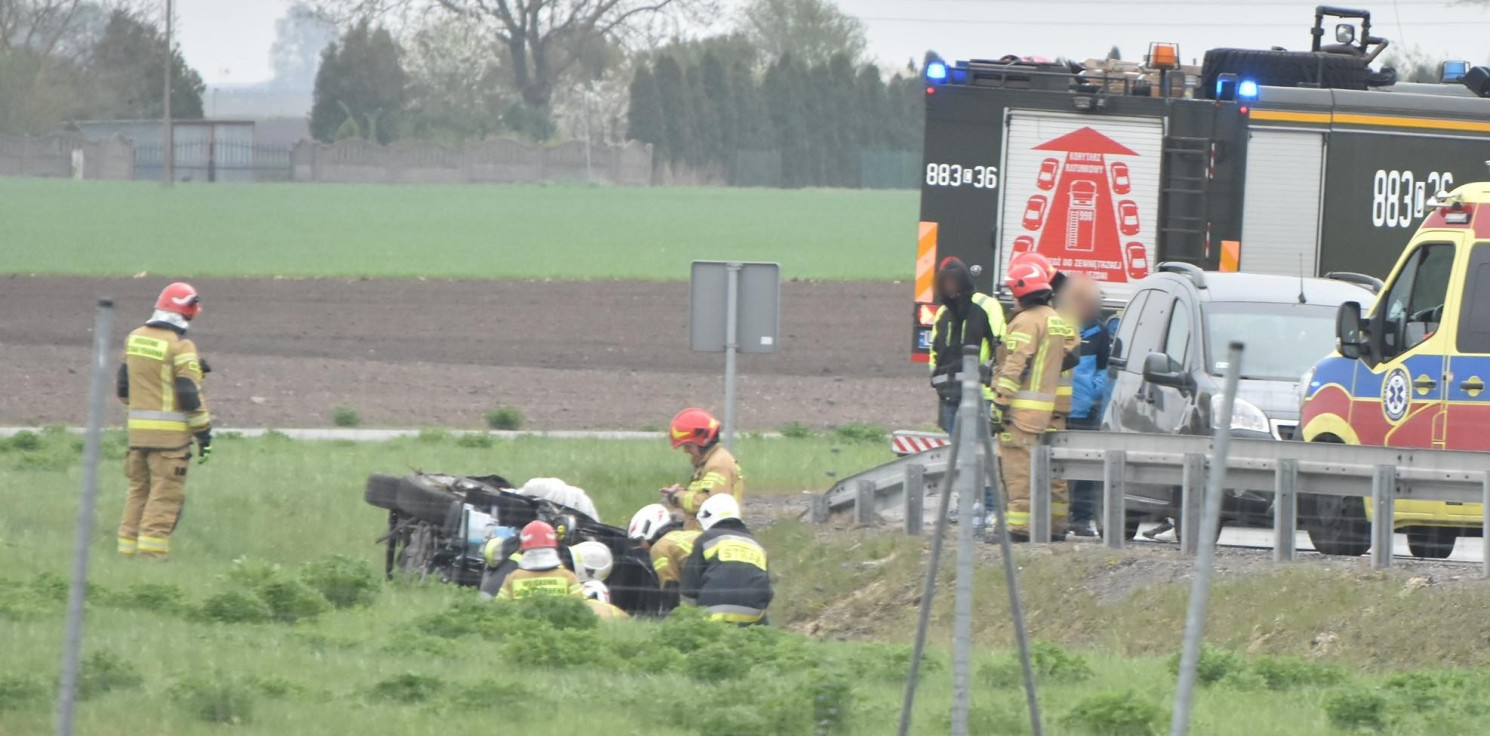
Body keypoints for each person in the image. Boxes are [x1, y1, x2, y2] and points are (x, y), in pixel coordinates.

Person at [116, 282, 213, 560]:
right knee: (164, 498)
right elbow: (187, 395)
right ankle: (151, 557)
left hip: (137, 438)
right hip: (170, 445)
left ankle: (126, 553)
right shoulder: (181, 346)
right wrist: (203, 433)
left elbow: (124, 389)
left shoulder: (134, 338)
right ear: (187, 311)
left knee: (137, 493)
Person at [990, 261, 1075, 542]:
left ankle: (1019, 529)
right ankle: (1056, 527)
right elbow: (1070, 354)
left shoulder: (1026, 321)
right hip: (1050, 411)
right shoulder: (1055, 318)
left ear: (1021, 292)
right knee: (1054, 474)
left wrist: (1000, 402)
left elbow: (1015, 364)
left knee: (1018, 471)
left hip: (1022, 414)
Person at [928, 257, 1007, 433]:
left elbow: (1001, 347)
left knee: (979, 452)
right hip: (950, 396)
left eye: (952, 281)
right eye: (945, 282)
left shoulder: (986, 305)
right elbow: (935, 353)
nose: (949, 286)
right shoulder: (943, 313)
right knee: (954, 453)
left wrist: (990, 378)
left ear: (962, 280)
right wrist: (939, 382)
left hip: (981, 395)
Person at [1061, 277, 1112, 537]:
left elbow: (1105, 368)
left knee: (1084, 471)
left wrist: (1094, 392)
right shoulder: (1057, 324)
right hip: (1057, 410)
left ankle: (1081, 520)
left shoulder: (1099, 332)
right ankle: (1055, 517)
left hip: (1086, 410)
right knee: (1056, 469)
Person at [680, 494, 772, 626]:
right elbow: (767, 589)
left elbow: (689, 584)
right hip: (752, 618)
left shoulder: (707, 538)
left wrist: (687, 619)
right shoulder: (757, 545)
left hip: (712, 616)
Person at [660, 408, 744, 531]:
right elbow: (704, 494)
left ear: (703, 441)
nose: (685, 451)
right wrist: (682, 493)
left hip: (711, 539)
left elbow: (707, 504)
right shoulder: (710, 462)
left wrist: (677, 496)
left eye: (688, 445)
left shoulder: (719, 465)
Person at [496, 520, 584, 601]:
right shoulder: (568, 576)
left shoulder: (513, 578)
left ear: (523, 548)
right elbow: (581, 609)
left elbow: (498, 610)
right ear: (553, 546)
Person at [628, 503, 700, 595]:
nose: (639, 547)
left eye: (637, 542)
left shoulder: (659, 547)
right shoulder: (691, 534)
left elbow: (670, 587)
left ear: (649, 530)